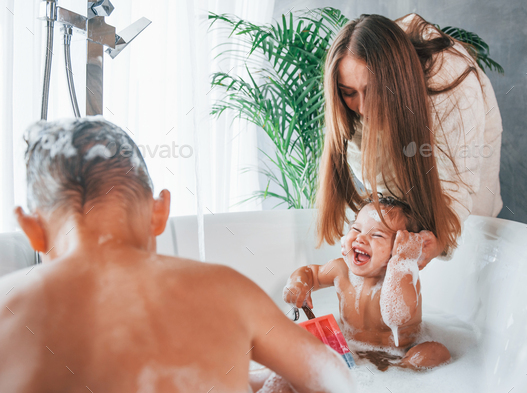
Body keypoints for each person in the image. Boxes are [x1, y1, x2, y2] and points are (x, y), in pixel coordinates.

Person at [0, 117, 355, 393]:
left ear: (31, 228)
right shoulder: (225, 289)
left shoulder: (8, 307)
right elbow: (332, 379)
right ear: (159, 212)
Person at [316, 13, 503, 268]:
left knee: (469, 240)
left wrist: (435, 242)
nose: (363, 107)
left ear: (394, 82)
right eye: (349, 93)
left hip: (462, 149)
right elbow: (377, 180)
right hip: (408, 131)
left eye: (371, 91)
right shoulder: (359, 80)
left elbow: (457, 187)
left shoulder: (453, 86)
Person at [284, 195, 451, 371]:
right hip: (351, 348)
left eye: (377, 235)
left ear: (400, 248)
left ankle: (400, 371)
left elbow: (398, 316)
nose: (361, 239)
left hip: (403, 351)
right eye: (356, 229)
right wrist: (297, 284)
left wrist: (403, 261)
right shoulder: (341, 270)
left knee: (436, 352)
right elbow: (312, 273)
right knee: (297, 340)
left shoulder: (405, 276)